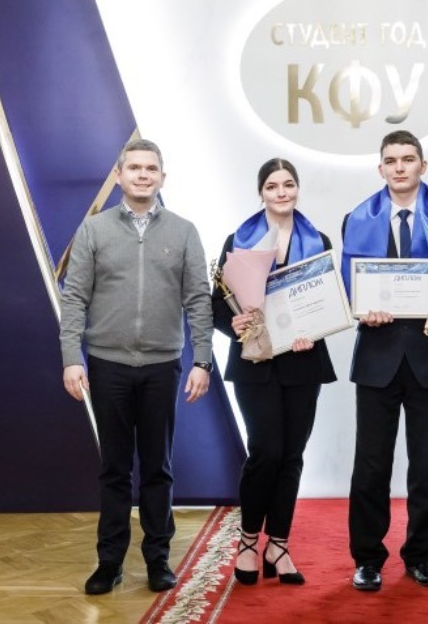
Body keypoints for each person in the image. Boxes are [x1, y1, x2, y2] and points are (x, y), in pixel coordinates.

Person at [59, 139, 214, 595]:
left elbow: (198, 300)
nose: (143, 175)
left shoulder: (184, 231)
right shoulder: (94, 230)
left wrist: (202, 360)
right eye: (134, 168)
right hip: (107, 366)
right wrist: (71, 357)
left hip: (163, 367)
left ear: (162, 177)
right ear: (119, 175)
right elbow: (74, 298)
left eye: (151, 168)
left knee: (158, 469)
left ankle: (158, 561)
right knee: (114, 469)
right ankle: (109, 563)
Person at [341, 130, 428, 591]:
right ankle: (367, 559)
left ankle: (420, 555)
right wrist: (362, 308)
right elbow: (350, 288)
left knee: (427, 465)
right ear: (381, 168)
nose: (399, 167)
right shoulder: (356, 218)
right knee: (370, 466)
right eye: (391, 160)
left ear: (423, 165)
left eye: (408, 159)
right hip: (377, 356)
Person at [213, 158, 336, 586]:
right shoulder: (238, 241)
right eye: (272, 186)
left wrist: (313, 331)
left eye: (288, 184)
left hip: (303, 361)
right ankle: (249, 541)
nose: (281, 192)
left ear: (297, 189)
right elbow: (217, 304)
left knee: (292, 455)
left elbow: (326, 301)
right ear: (261, 193)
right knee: (265, 451)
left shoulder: (318, 240)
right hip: (255, 363)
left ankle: (278, 545)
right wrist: (233, 324)